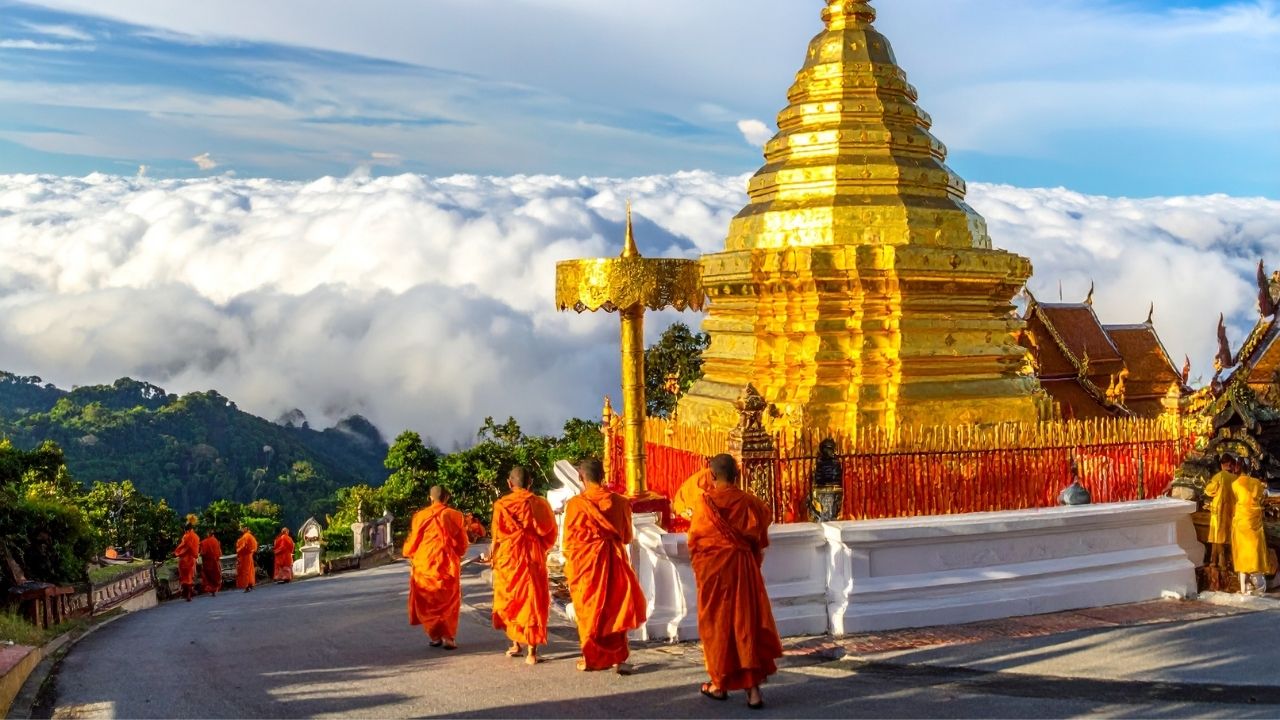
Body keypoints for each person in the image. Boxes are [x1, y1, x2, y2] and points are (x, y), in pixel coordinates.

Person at [689, 454, 782, 710]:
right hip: (742, 569)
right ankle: (753, 693)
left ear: (710, 474)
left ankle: (719, 685)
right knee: (745, 625)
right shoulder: (749, 501)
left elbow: (695, 542)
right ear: (737, 475)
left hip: (715, 573)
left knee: (717, 626)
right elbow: (760, 535)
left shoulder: (703, 504)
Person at [563, 458, 646, 673]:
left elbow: (569, 543)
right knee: (616, 608)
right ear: (603, 475)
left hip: (587, 565)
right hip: (614, 561)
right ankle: (619, 659)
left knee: (589, 608)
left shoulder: (575, 505)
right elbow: (627, 536)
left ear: (581, 477)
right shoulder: (620, 502)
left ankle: (591, 658)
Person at [490, 466, 557, 665]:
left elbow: (496, 536)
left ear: (509, 483)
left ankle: (516, 644)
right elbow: (549, 533)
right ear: (530, 483)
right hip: (531, 555)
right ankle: (531, 652)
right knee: (531, 600)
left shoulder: (501, 505)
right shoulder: (539, 503)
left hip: (508, 557)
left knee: (511, 598)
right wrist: (539, 546)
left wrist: (493, 557)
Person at [403, 486, 469, 650]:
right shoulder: (455, 515)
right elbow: (462, 543)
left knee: (427, 600)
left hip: (425, 563)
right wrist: (458, 552)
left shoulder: (420, 516)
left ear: (430, 497)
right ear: (447, 498)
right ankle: (449, 637)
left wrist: (409, 552)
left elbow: (414, 541)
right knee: (449, 601)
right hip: (447, 562)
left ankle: (434, 635)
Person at [1231, 459, 1271, 595]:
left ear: (1237, 468)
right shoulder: (1256, 483)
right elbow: (1262, 496)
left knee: (1242, 554)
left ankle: (1244, 588)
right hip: (1253, 521)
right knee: (1255, 552)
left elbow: (1236, 499)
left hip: (1241, 522)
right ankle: (1259, 586)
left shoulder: (1235, 484)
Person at [1203, 454, 1238, 569]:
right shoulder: (1235, 479)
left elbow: (1209, 491)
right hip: (1231, 511)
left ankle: (1219, 561)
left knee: (1216, 535)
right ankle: (1219, 560)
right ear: (1231, 464)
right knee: (1225, 536)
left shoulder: (1218, 477)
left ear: (1222, 464)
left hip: (1218, 510)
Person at [173, 515, 200, 602]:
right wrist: (195, 555)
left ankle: (187, 594)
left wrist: (176, 552)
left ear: (185, 529)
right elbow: (195, 548)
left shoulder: (186, 536)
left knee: (184, 578)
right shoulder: (196, 537)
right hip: (192, 559)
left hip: (184, 559)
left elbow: (183, 547)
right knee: (189, 577)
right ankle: (190, 593)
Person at [199, 529, 223, 597]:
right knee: (215, 575)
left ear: (208, 534)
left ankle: (211, 589)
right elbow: (219, 552)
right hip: (215, 562)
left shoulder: (204, 542)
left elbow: (203, 552)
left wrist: (199, 554)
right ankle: (215, 589)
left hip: (207, 562)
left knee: (208, 576)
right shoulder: (216, 541)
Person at [235, 526, 259, 592]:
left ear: (246, 529)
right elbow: (255, 545)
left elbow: (243, 546)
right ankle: (250, 584)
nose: (241, 530)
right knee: (250, 570)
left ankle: (247, 585)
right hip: (249, 555)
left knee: (245, 571)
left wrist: (238, 550)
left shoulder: (246, 536)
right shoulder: (250, 536)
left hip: (245, 556)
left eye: (242, 528)